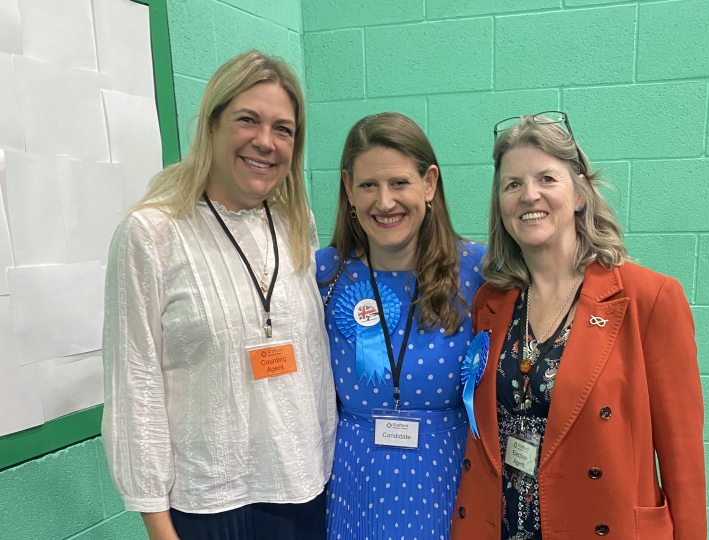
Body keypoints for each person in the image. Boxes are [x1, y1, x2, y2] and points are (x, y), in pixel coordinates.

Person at [101, 50, 336, 540]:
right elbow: (135, 386)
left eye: (283, 129)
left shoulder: (297, 222)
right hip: (208, 505)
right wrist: (159, 527)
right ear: (211, 126)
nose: (265, 142)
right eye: (247, 120)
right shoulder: (151, 233)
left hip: (302, 492)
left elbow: (312, 366)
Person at [451, 112, 706, 540]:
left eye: (546, 179)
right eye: (512, 184)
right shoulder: (491, 303)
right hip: (505, 527)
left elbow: (684, 464)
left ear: (580, 194)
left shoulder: (649, 298)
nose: (529, 195)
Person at [316, 112, 486, 540]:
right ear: (348, 189)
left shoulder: (479, 272)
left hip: (448, 479)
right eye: (368, 185)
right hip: (353, 485)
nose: (384, 201)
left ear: (429, 184)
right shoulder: (324, 276)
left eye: (399, 183)